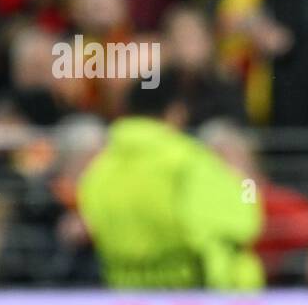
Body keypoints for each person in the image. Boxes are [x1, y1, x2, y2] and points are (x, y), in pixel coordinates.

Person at [78, 74, 263, 289]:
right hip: (188, 297)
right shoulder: (189, 161)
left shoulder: (100, 168)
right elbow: (236, 228)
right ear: (175, 112)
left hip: (125, 295)